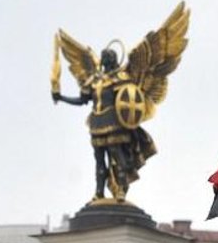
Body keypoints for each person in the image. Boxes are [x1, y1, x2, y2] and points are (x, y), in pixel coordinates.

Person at [52, 47, 157, 202]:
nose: (106, 60)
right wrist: (61, 97)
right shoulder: (95, 80)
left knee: (117, 156)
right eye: (105, 57)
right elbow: (82, 100)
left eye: (108, 58)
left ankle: (121, 189)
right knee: (99, 159)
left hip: (115, 123)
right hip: (96, 124)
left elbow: (130, 98)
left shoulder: (121, 78)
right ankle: (99, 192)